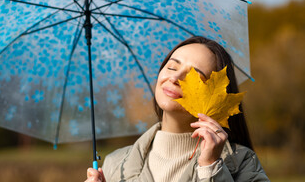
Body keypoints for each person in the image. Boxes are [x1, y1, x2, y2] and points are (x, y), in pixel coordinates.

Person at [85, 36, 269, 181]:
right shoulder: (115, 165)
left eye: (194, 77)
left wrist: (211, 169)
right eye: (172, 67)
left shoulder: (242, 163)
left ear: (217, 98)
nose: (175, 78)